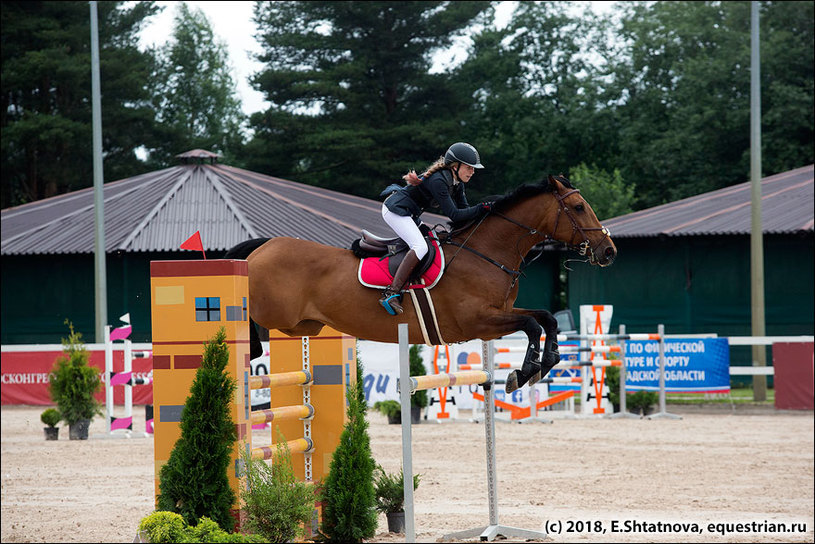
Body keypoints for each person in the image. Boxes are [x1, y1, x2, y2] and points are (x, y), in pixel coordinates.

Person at [378, 142, 492, 315]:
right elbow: (454, 215)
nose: (473, 171)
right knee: (420, 246)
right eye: (469, 167)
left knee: (433, 242)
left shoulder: (457, 183)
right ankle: (391, 293)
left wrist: (485, 216)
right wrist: (482, 208)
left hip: (410, 213)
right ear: (455, 166)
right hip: (395, 210)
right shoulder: (439, 180)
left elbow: (465, 212)